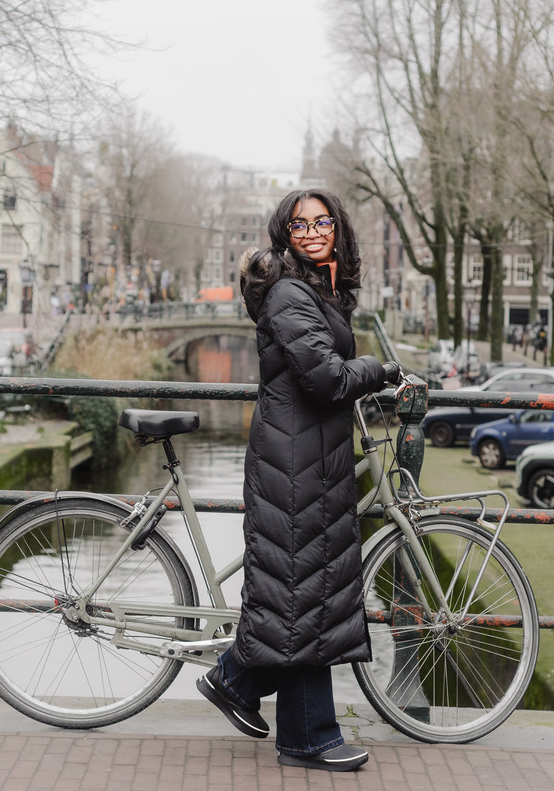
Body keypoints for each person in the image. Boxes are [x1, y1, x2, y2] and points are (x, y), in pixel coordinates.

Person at [197, 189, 398, 773]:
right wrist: (380, 371)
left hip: (312, 456)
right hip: (292, 462)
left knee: (307, 587)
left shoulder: (319, 290)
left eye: (322, 221)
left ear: (337, 229)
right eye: (299, 224)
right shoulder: (289, 292)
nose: (311, 231)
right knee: (304, 590)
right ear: (284, 232)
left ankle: (236, 681)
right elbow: (326, 379)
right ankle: (307, 736)